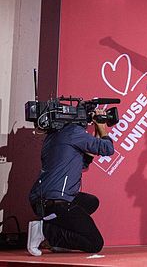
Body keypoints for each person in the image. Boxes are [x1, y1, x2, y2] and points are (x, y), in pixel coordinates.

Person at [27, 108, 114, 256]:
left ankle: (56, 234)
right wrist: (102, 127)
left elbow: (86, 158)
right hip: (57, 202)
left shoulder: (53, 136)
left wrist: (95, 132)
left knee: (91, 202)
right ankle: (45, 231)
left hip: (41, 200)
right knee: (95, 243)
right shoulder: (73, 132)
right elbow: (107, 148)